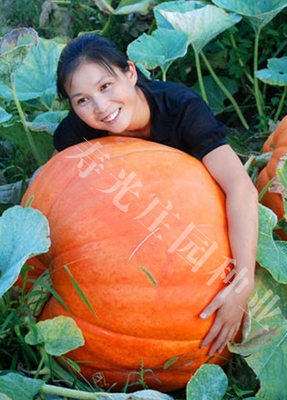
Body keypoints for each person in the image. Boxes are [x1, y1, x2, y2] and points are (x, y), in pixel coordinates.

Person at [54, 33, 258, 357]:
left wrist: (243, 283)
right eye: (82, 100)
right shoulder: (76, 134)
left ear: (131, 73)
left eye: (106, 86)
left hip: (196, 230)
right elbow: (59, 186)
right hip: (136, 228)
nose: (101, 107)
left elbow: (240, 188)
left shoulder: (182, 109)